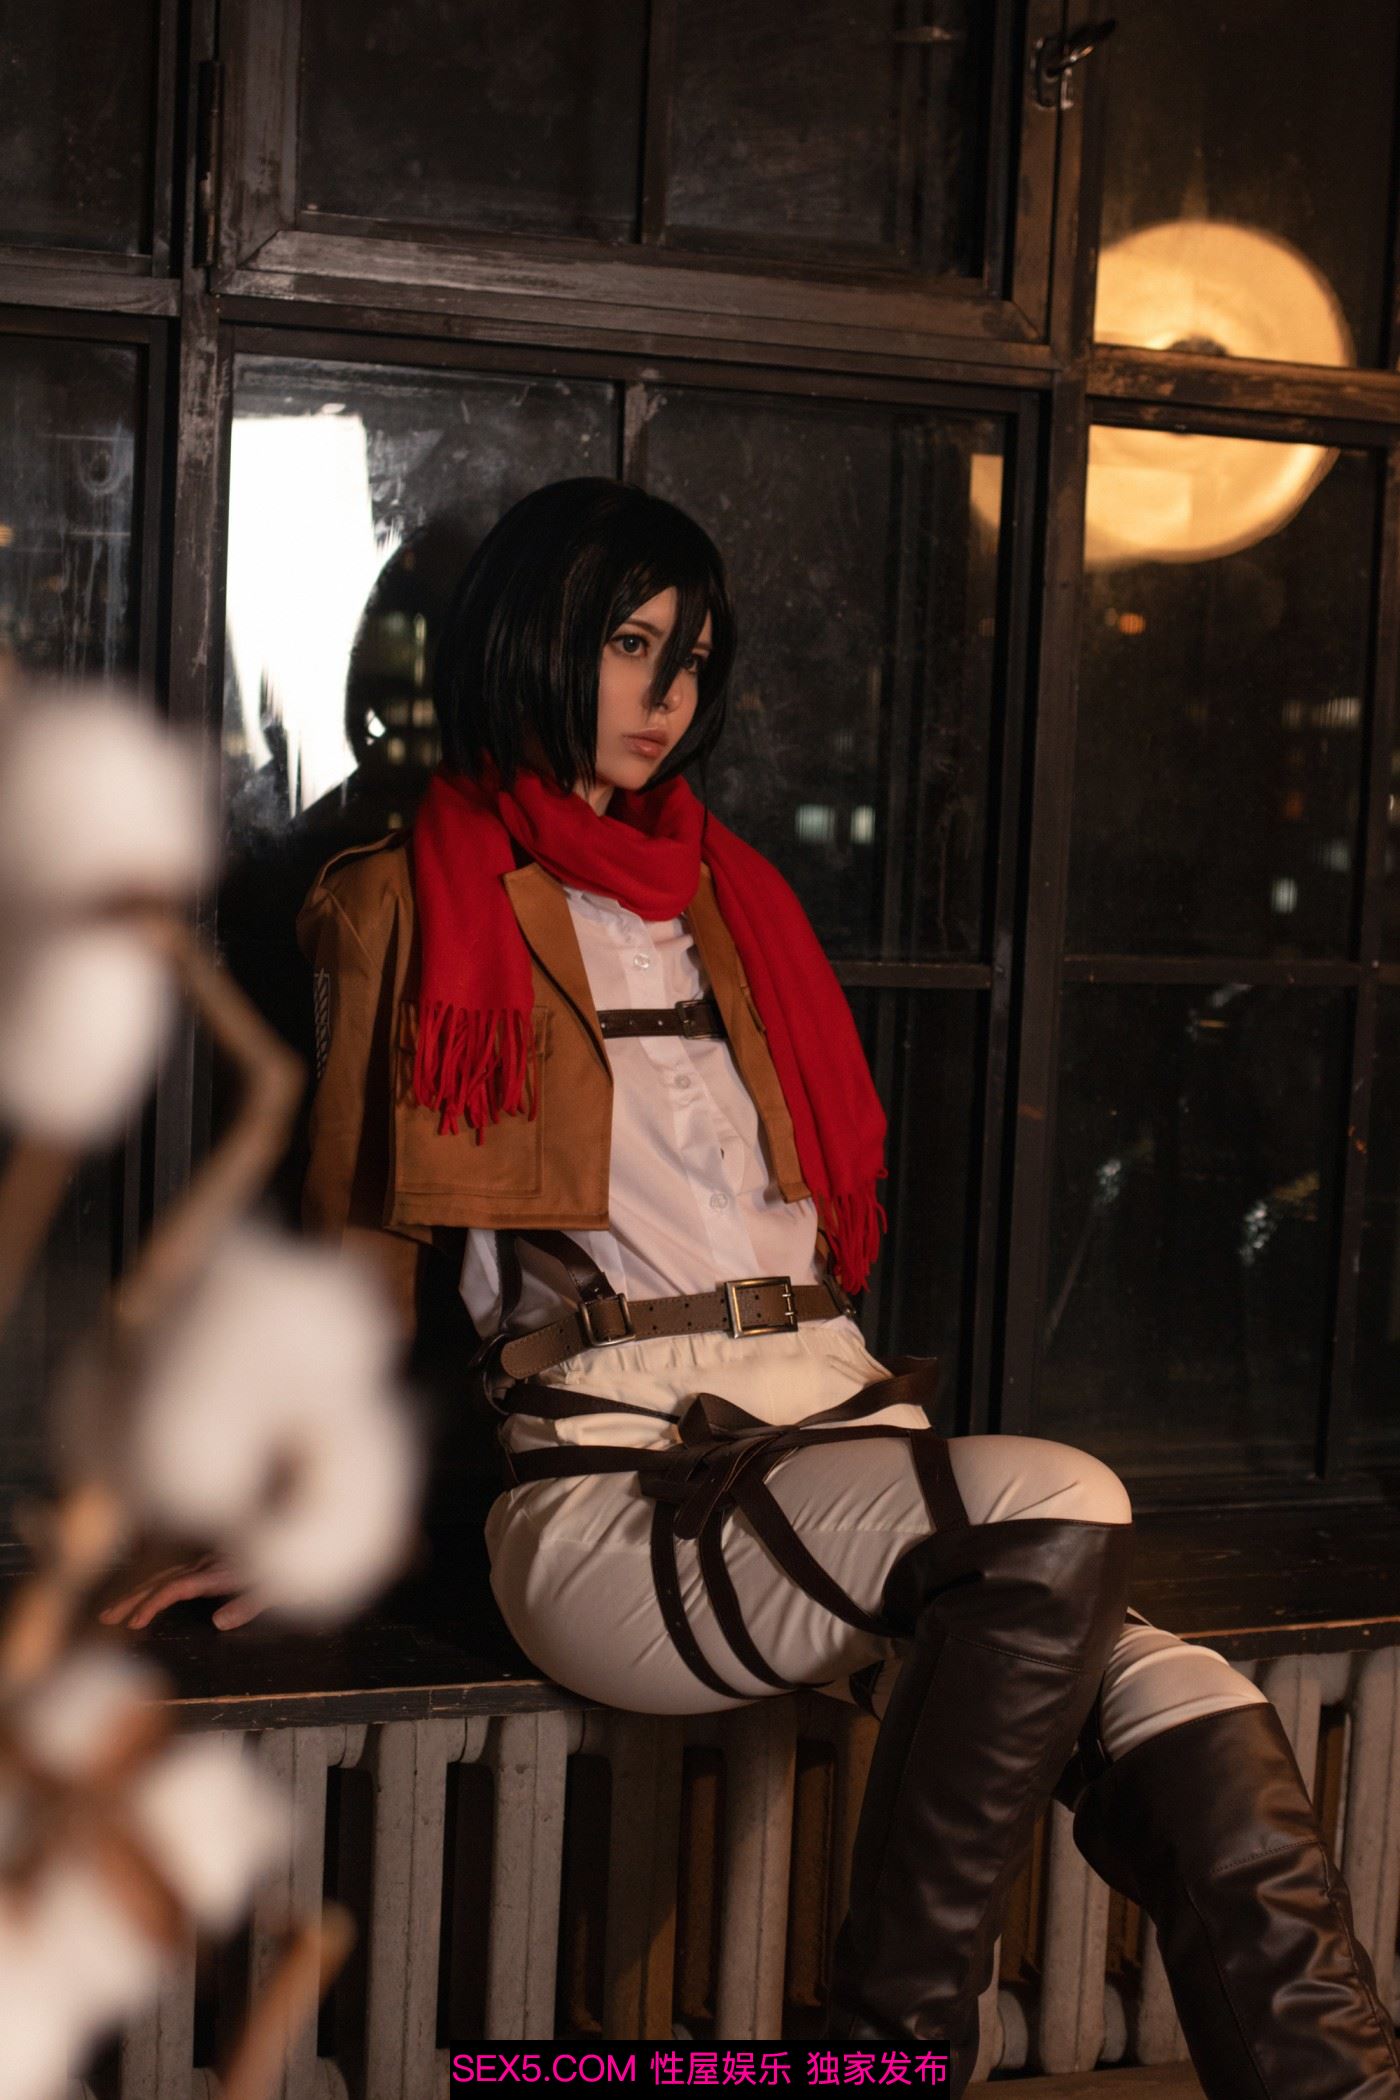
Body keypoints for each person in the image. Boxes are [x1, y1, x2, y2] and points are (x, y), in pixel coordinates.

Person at [109, 479, 1400, 2095]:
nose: (667, 694)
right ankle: (881, 2060)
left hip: (837, 1443)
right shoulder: (400, 896)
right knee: (1062, 1498)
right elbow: (359, 1250)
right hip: (624, 1489)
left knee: (1195, 1705)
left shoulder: (730, 900)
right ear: (531, 639)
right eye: (629, 644)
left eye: (694, 659)